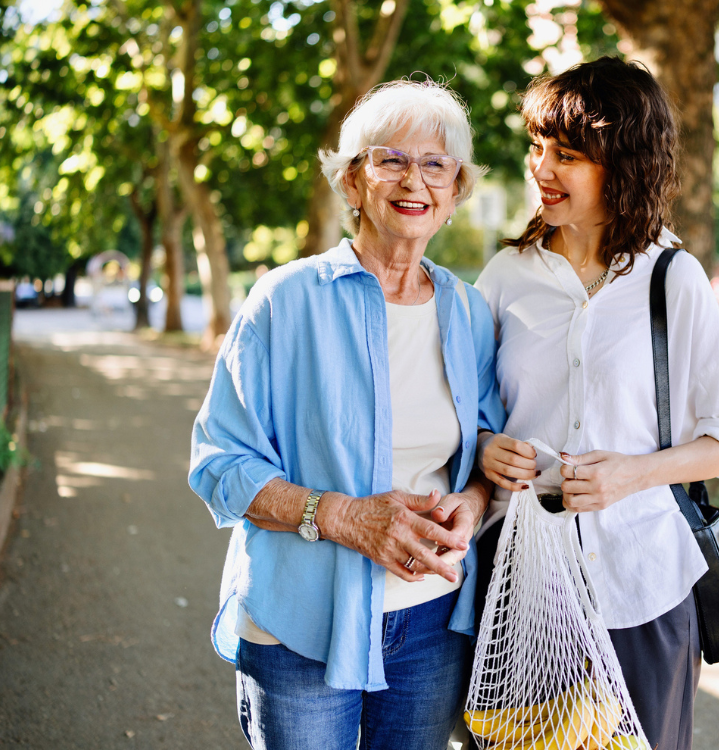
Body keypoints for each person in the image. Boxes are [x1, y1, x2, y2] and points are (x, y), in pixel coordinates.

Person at [189, 79, 505, 750]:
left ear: (453, 192)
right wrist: (344, 517)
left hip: (430, 622)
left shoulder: (468, 312)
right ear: (354, 180)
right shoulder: (284, 300)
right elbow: (219, 463)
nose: (412, 179)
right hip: (302, 617)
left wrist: (474, 505)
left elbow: (485, 455)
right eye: (390, 158)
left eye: (434, 164)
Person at [473, 57, 719, 750]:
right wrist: (486, 445)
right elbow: (465, 407)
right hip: (524, 588)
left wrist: (630, 473)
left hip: (642, 584)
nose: (541, 168)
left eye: (566, 155)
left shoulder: (674, 280)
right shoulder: (505, 276)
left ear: (623, 164)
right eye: (536, 148)